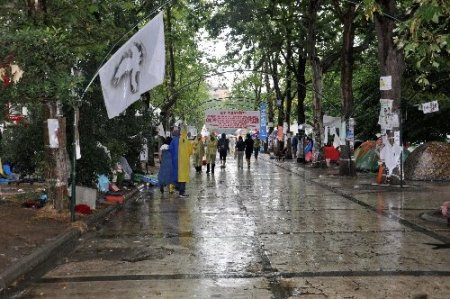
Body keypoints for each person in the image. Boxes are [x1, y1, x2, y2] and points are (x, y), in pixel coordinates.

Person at [169, 126, 192, 197]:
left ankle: (174, 188)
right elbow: (190, 152)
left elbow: (170, 149)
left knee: (176, 175)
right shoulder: (187, 141)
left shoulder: (174, 140)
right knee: (183, 177)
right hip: (184, 162)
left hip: (175, 161)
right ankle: (181, 192)